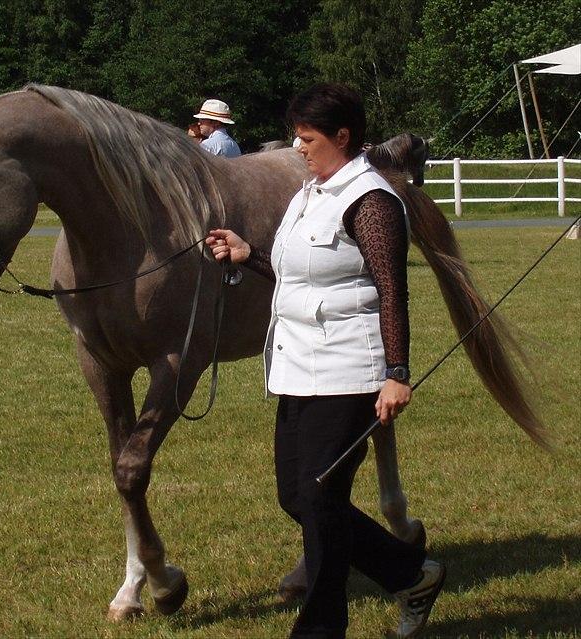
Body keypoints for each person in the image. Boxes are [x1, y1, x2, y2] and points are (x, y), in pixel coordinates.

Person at [206, 83, 445, 638]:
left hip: (349, 371)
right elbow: (304, 271)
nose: (298, 146)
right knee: (299, 496)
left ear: (343, 137)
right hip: (297, 367)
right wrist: (249, 254)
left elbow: (392, 290)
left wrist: (396, 374)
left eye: (308, 137)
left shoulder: (372, 200)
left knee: (320, 502)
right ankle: (411, 574)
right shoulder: (311, 192)